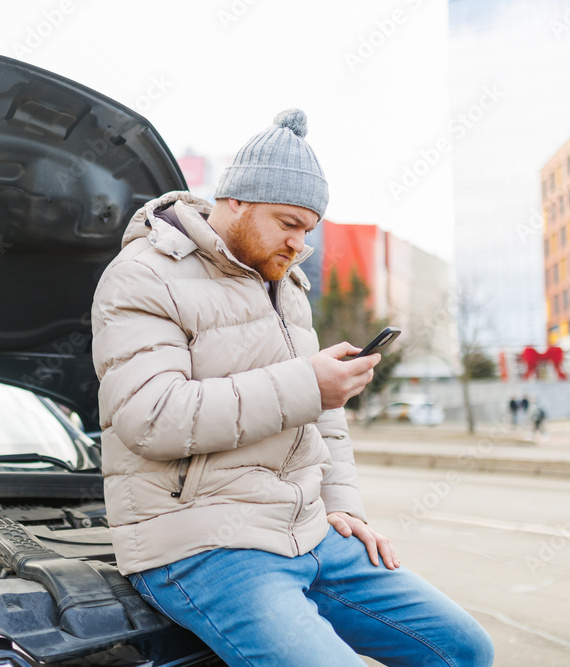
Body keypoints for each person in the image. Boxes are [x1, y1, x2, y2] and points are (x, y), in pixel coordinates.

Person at [91, 109, 494, 666]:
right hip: (201, 543)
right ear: (236, 202)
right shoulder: (145, 274)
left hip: (306, 529)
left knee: (463, 649)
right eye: (287, 223)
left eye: (308, 229)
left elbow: (322, 413)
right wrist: (307, 384)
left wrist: (343, 505)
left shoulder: (285, 284)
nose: (299, 242)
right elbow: (151, 418)